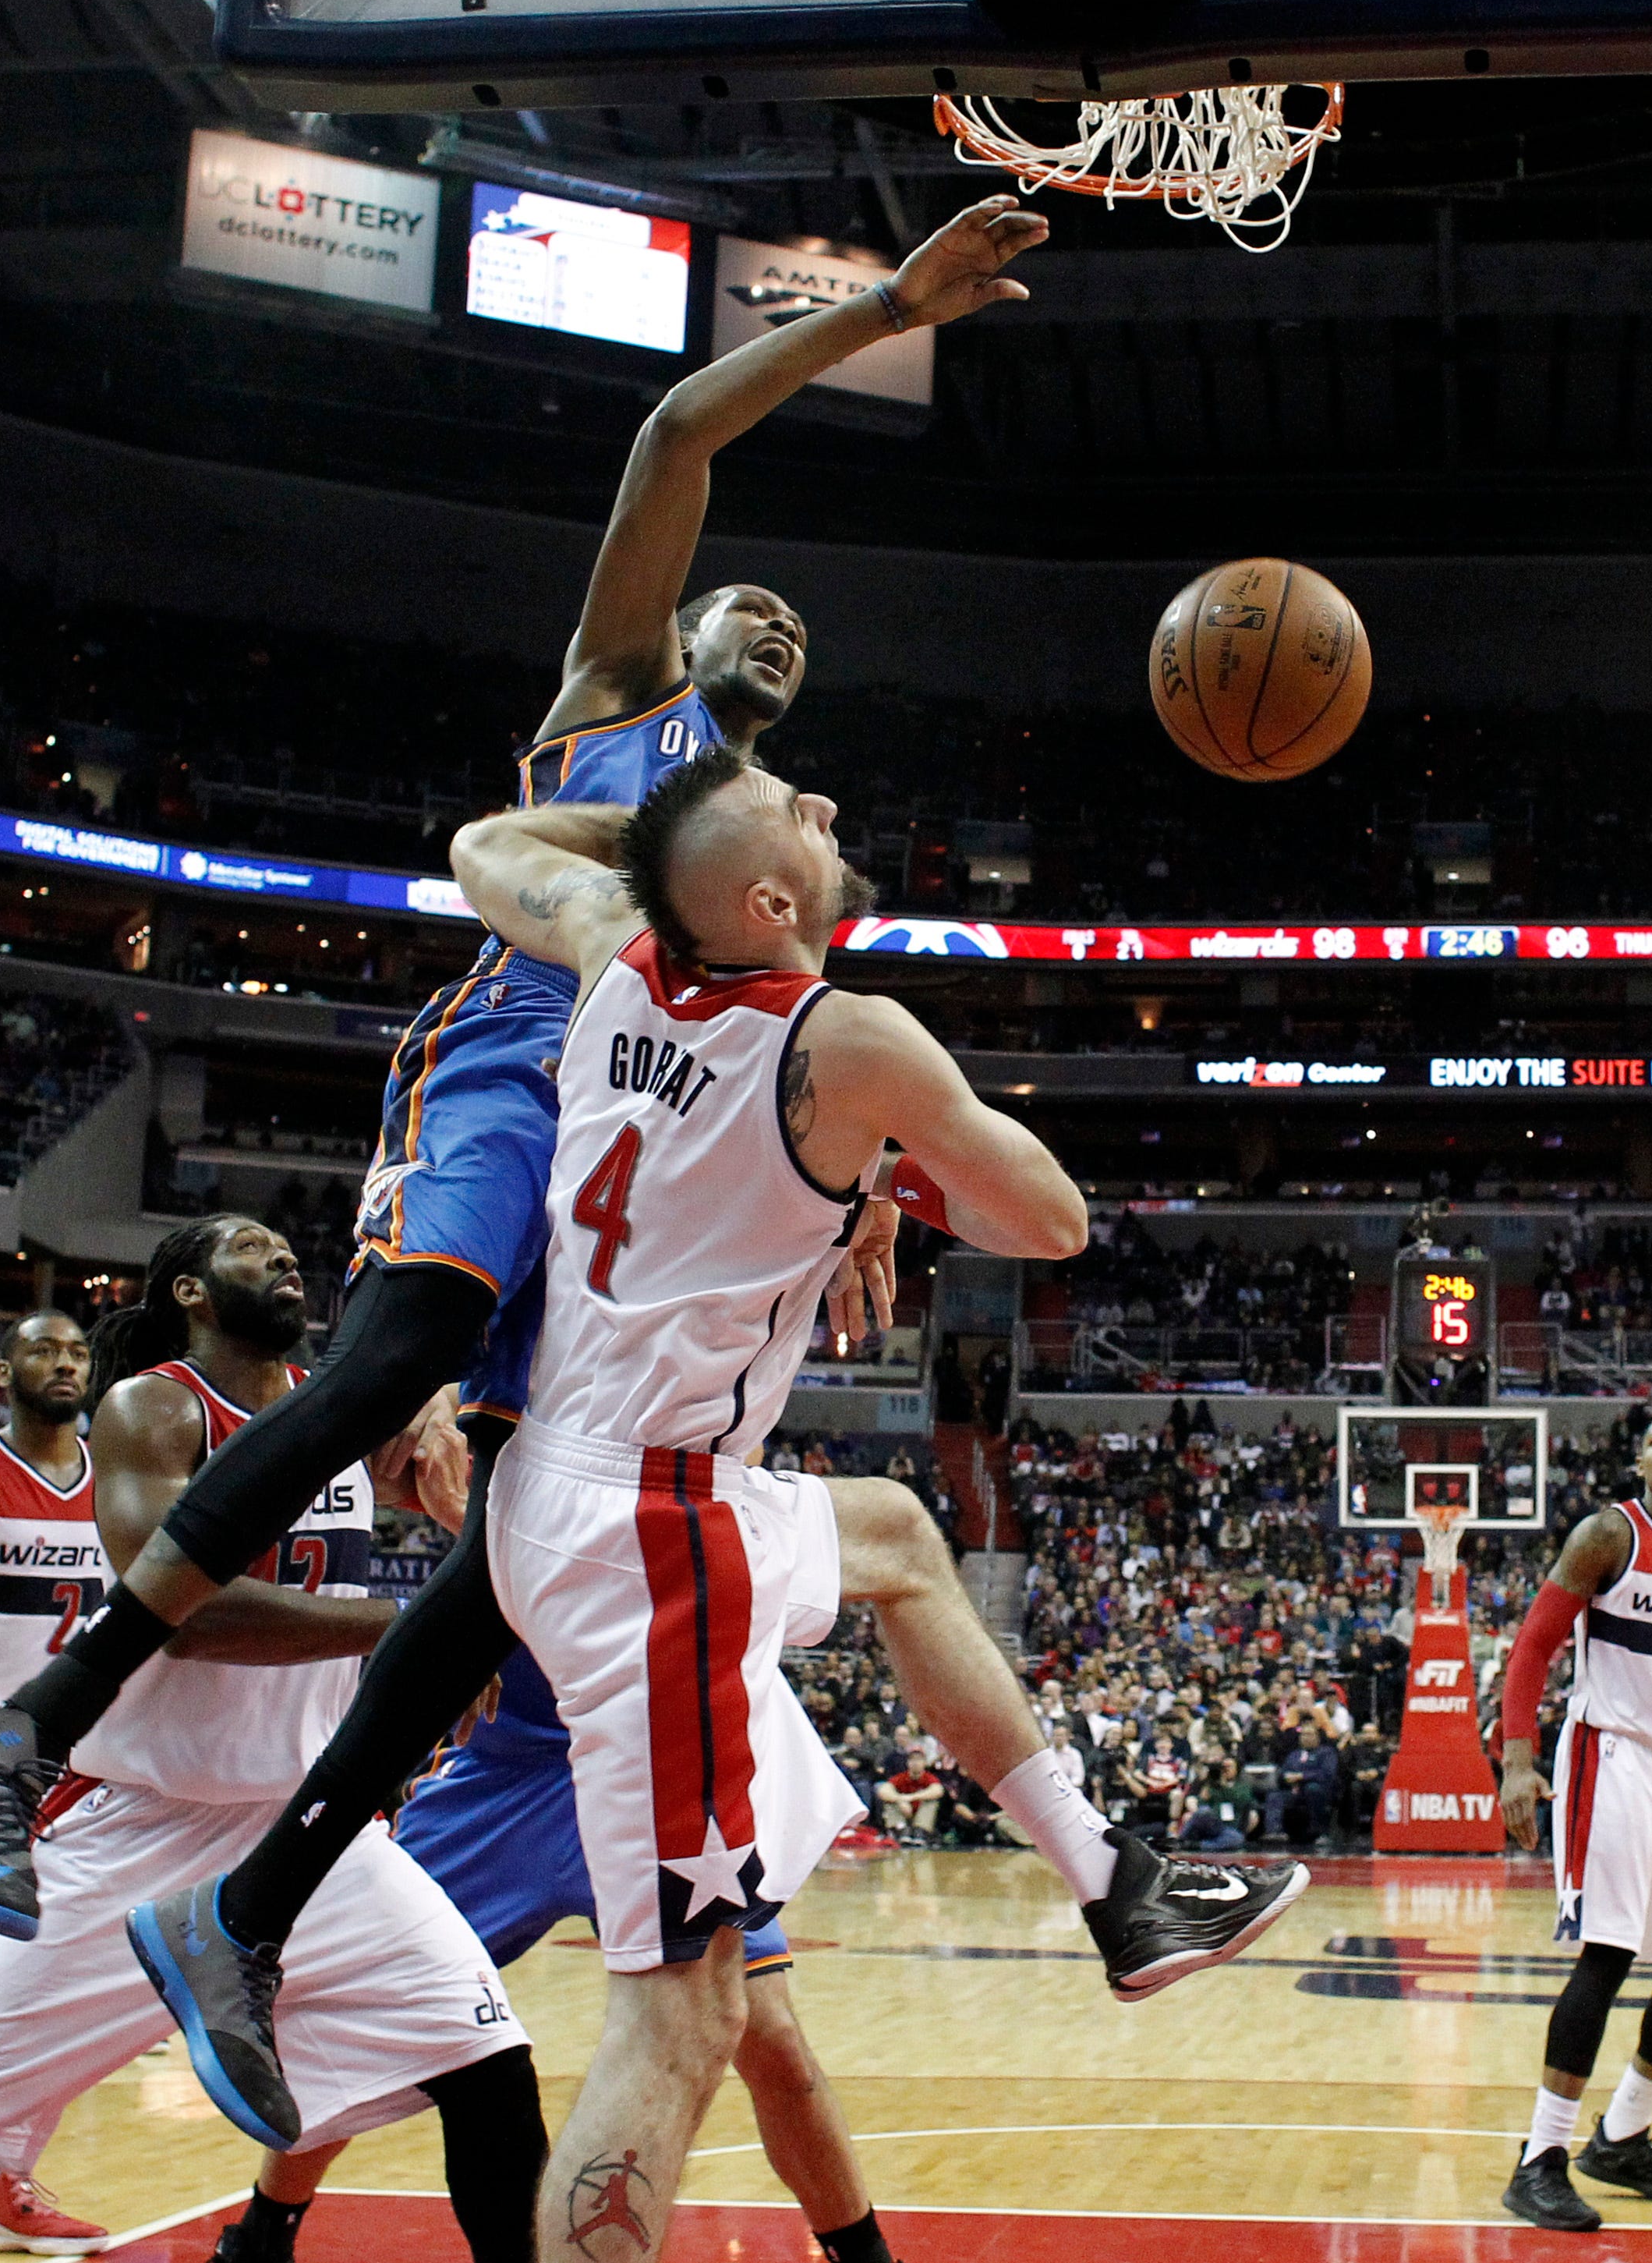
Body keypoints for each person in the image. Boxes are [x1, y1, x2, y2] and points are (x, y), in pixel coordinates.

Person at [0, 193, 1056, 1953]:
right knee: (396, 1358)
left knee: (522, 1516)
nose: (779, 632)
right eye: (748, 609)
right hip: (513, 1066)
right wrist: (886, 313)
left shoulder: (770, 848)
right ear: (675, 629)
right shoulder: (615, 696)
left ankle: (256, 1918)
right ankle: (24, 1734)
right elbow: (674, 434)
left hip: (639, 1153)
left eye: (801, 635)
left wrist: (867, 1192)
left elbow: (799, 1063)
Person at [129, 761, 1309, 2247]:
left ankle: (1111, 1877)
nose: (823, 804)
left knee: (895, 1535)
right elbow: (1050, 1217)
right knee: (680, 2024)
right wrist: (883, 1162)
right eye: (794, 812)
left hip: (557, 1485)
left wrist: (659, 857)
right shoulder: (849, 1037)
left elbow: (483, 840)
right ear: (763, 900)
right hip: (651, 1532)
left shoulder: (609, 949)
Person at [0, 1218, 543, 2263]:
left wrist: (448, 1456)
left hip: (307, 1836)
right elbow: (184, 1611)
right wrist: (407, 1628)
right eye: (252, 1248)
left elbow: (451, 1432)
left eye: (285, 1248)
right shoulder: (153, 1408)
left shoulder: (337, 1408)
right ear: (191, 1292)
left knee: (489, 2072)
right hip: (136, 1832)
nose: (283, 1258)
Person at [232, 1642, 900, 2263]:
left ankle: (865, 2251)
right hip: (502, 1781)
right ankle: (263, 2232)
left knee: (773, 2036)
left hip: (653, 1771)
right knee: (367, 2007)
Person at [1496, 1412, 1652, 2233]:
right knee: (1608, 1953)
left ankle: (1622, 2135)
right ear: (1639, 1459)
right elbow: (1532, 1646)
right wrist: (1515, 1761)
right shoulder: (1608, 1535)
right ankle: (1539, 2158)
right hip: (1611, 1753)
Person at [0, 1314, 108, 2255]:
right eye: (44, 1349)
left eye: (77, 1351)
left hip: (77, 1762)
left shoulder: (120, 1476)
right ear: (1, 1371)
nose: (64, 1363)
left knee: (48, 1989)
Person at [877, 1749, 943, 1844]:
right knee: (890, 1802)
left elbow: (938, 1791)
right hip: (904, 1815)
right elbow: (883, 1791)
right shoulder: (901, 1777)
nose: (915, 1763)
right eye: (912, 1760)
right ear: (907, 1763)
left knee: (931, 1802)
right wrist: (900, 1800)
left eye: (919, 1760)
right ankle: (901, 1830)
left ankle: (920, 1832)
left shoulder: (929, 1778)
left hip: (920, 1816)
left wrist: (911, 1797)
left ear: (925, 1763)